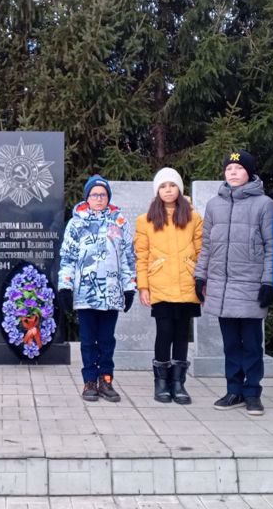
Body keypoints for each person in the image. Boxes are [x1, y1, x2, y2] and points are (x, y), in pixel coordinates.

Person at [194, 151, 273, 416]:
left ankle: (253, 393)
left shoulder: (264, 204)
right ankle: (234, 390)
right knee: (230, 343)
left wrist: (268, 281)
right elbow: (206, 245)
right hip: (221, 286)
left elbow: (271, 245)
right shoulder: (214, 205)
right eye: (229, 168)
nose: (232, 172)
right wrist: (200, 275)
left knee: (251, 344)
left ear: (249, 173)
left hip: (250, 285)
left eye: (238, 168)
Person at [58, 175, 136, 402]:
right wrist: (65, 287)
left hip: (111, 293)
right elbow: (67, 258)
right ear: (87, 197)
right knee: (88, 339)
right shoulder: (76, 223)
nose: (99, 199)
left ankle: (106, 379)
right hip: (85, 294)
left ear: (108, 197)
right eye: (94, 195)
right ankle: (90, 381)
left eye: (102, 195)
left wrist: (129, 287)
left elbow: (128, 257)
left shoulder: (119, 221)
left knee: (107, 339)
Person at [135, 168, 203, 405]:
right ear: (157, 191)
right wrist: (143, 286)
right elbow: (141, 256)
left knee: (182, 334)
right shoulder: (146, 220)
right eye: (163, 186)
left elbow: (202, 251)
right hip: (160, 284)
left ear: (179, 189)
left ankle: (179, 383)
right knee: (164, 332)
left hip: (186, 283)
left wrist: (201, 280)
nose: (168, 190)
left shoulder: (193, 217)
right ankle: (161, 383)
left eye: (172, 186)